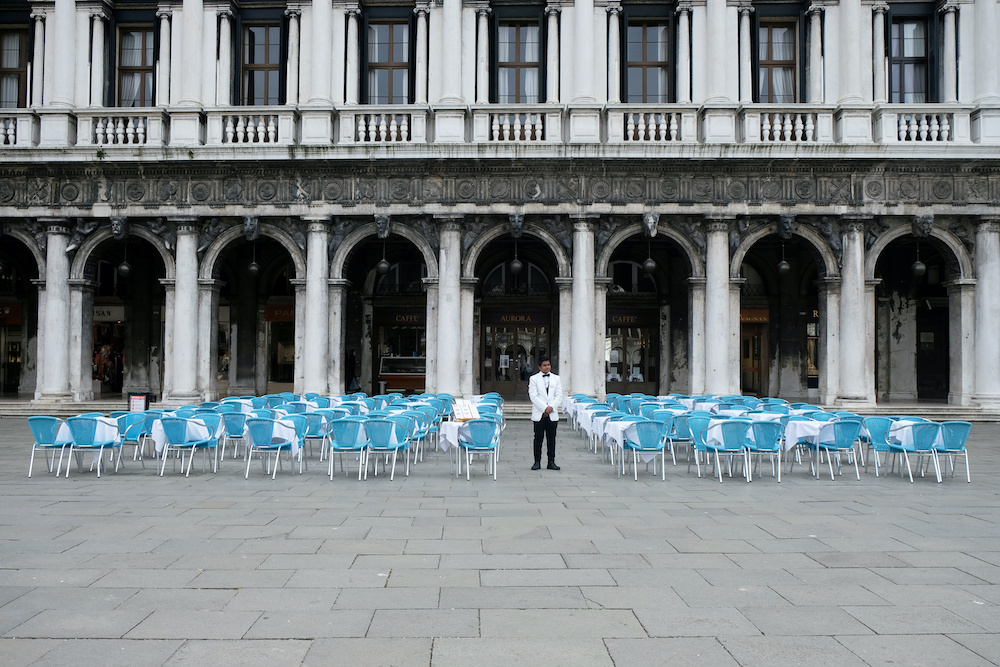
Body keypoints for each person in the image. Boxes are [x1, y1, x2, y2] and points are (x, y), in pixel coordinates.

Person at [528, 356, 563, 470]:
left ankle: (551, 461)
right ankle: (537, 461)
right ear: (539, 367)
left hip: (552, 413)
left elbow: (559, 395)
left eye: (548, 365)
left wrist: (551, 407)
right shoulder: (534, 379)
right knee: (538, 438)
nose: (547, 367)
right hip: (539, 413)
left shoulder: (556, 378)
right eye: (544, 365)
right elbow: (533, 396)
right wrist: (545, 408)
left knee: (551, 438)